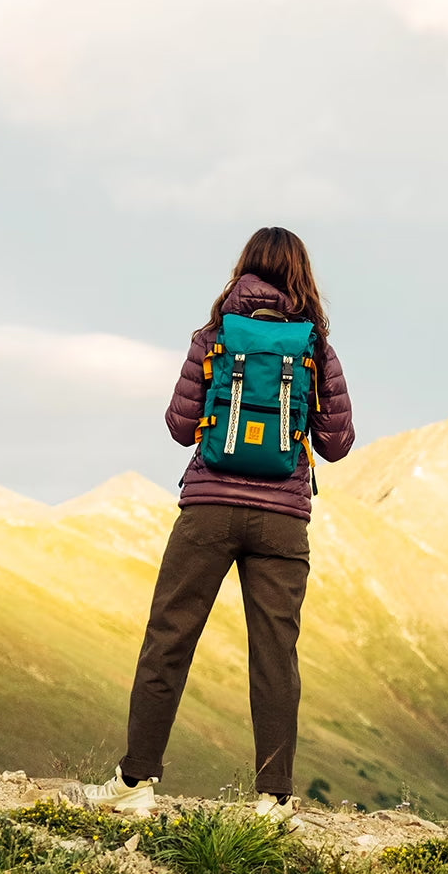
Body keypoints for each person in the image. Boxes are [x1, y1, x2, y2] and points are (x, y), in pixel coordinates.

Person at [83, 227, 354, 826]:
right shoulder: (316, 345)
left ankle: (136, 783)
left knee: (169, 639)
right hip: (283, 520)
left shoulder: (213, 336)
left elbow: (181, 427)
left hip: (208, 507)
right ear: (302, 276)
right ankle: (273, 799)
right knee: (275, 654)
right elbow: (337, 444)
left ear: (245, 268)